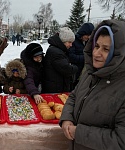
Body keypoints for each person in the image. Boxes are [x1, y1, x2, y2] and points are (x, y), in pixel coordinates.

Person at [59, 19, 125, 150]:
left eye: (106, 49)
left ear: (119, 54)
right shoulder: (91, 74)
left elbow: (121, 141)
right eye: (96, 46)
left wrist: (79, 133)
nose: (96, 53)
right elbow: (73, 97)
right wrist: (66, 118)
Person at [42, 27, 78, 93]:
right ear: (63, 41)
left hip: (55, 85)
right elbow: (66, 69)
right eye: (69, 42)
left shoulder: (57, 49)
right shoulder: (56, 52)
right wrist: (75, 67)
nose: (71, 45)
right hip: (55, 88)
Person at [69, 23, 94, 90]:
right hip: (75, 72)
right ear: (83, 33)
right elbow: (71, 57)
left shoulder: (88, 42)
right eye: (87, 35)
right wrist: (86, 57)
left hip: (84, 73)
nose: (88, 37)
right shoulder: (74, 41)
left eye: (90, 35)